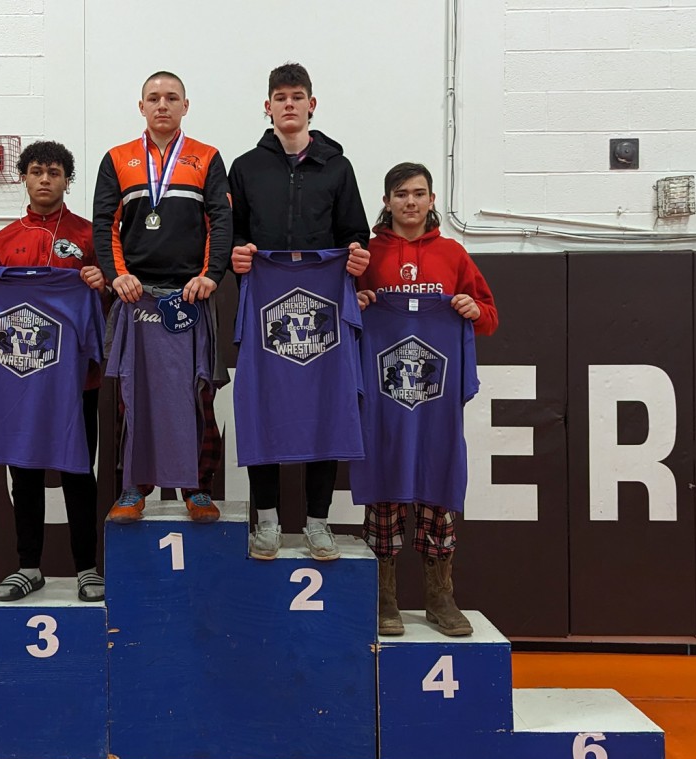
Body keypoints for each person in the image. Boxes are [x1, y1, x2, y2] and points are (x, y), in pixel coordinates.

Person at [0, 141, 107, 603]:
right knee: (23, 472)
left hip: (75, 381)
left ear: (67, 181)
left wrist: (99, 284)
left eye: (54, 172)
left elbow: (104, 309)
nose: (45, 179)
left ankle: (87, 568)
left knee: (78, 471)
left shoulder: (88, 236)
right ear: (23, 177)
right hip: (17, 377)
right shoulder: (3, 240)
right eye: (37, 171)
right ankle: (28, 567)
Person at [229, 61, 370, 561]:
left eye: (297, 97)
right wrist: (237, 253)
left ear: (312, 105)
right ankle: (266, 521)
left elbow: (355, 232)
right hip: (265, 304)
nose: (288, 104)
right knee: (263, 404)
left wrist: (357, 254)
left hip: (324, 307)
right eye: (280, 97)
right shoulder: (245, 166)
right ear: (267, 107)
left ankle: (318, 522)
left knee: (326, 406)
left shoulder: (338, 166)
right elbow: (232, 233)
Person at [356, 161, 498, 637]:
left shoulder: (453, 254)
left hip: (435, 406)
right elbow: (340, 316)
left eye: (418, 193)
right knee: (385, 493)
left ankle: (440, 597)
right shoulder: (366, 254)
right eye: (401, 194)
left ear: (432, 200)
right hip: (384, 406)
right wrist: (357, 305)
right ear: (386, 201)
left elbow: (489, 316)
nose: (410, 202)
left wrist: (473, 309)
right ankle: (384, 598)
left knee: (439, 493)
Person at [92, 70, 232, 524]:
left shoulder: (207, 157)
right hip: (136, 298)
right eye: (153, 98)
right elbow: (105, 224)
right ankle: (133, 488)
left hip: (190, 296)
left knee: (197, 394)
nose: (162, 105)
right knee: (132, 397)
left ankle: (197, 489)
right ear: (141, 107)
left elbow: (220, 221)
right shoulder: (118, 158)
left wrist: (210, 275)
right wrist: (118, 276)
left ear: (185, 106)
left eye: (172, 97)